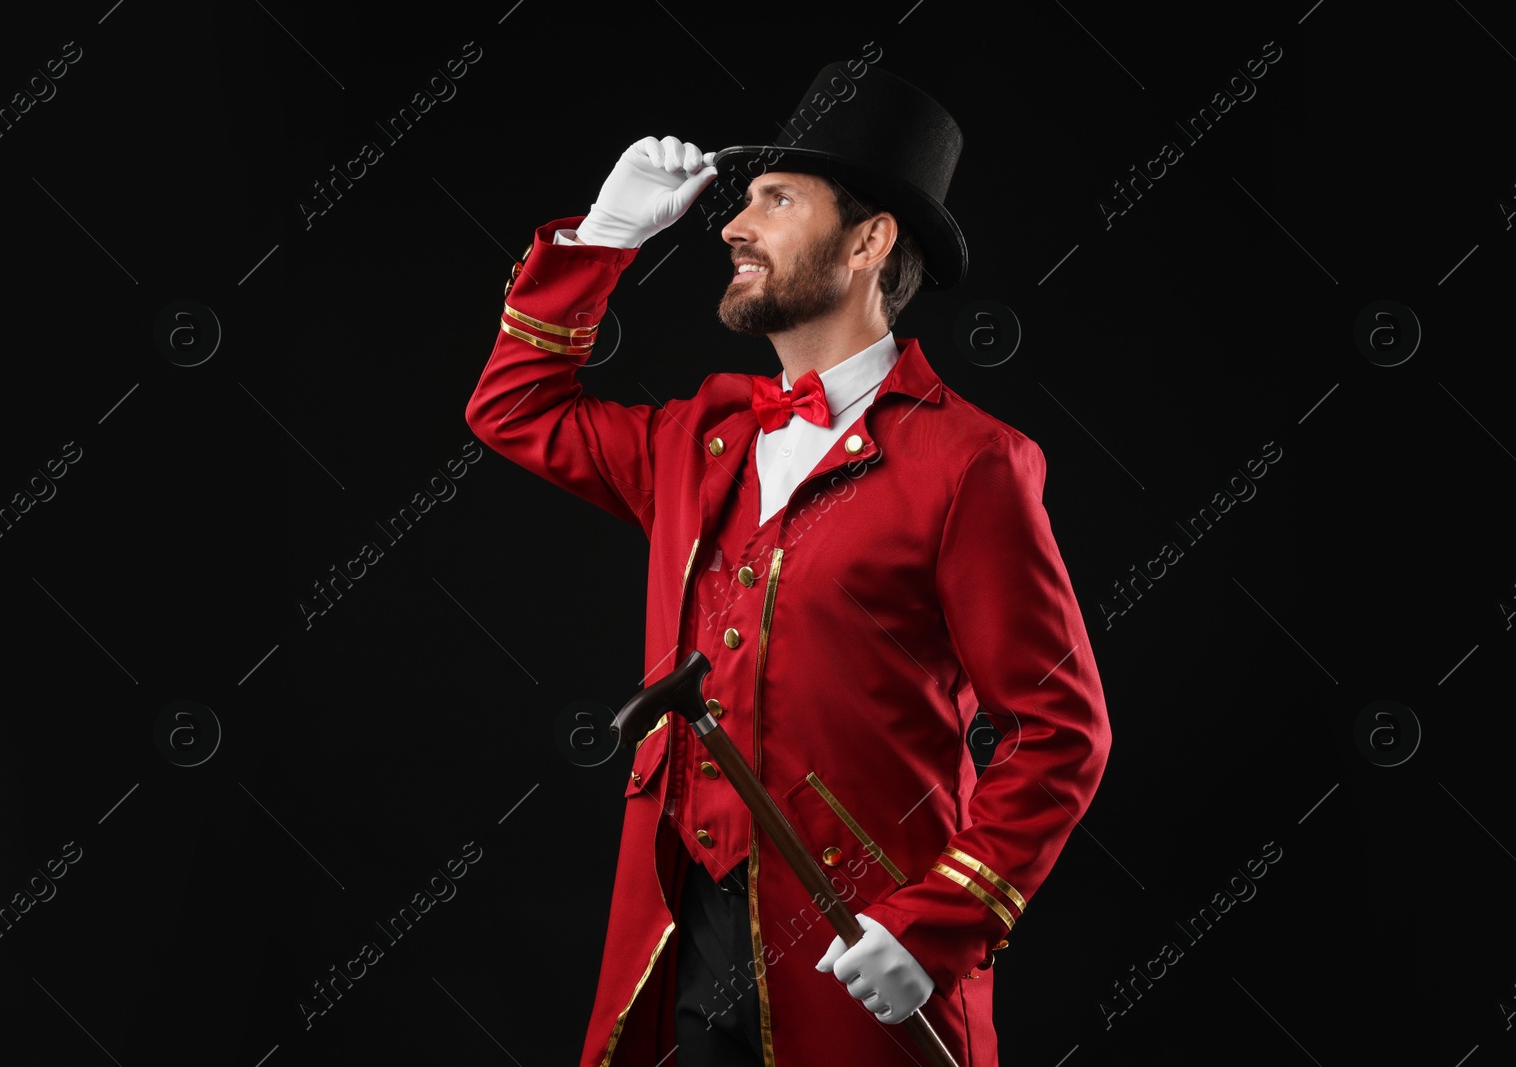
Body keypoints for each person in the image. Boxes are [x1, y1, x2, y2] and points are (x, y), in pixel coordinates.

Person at [465, 61, 1110, 1067]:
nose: (732, 225)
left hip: (864, 951)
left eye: (775, 199)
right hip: (680, 932)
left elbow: (1056, 729)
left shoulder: (971, 461)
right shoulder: (696, 436)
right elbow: (514, 410)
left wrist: (940, 917)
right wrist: (603, 240)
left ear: (868, 240)